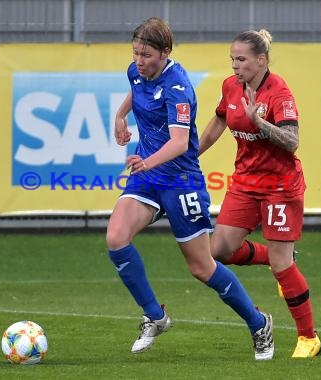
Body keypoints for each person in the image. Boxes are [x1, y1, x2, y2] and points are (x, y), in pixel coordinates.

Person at [106, 17, 274, 360]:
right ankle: (155, 316)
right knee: (115, 238)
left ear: (165, 52)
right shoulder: (136, 70)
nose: (139, 60)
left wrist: (146, 161)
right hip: (149, 179)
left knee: (202, 267)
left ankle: (259, 324)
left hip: (181, 181)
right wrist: (121, 116)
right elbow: (136, 88)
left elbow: (181, 143)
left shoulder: (178, 87)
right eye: (136, 52)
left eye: (147, 54)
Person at [198, 29, 321, 358]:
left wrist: (260, 123)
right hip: (246, 182)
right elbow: (218, 123)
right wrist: (191, 153)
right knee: (220, 250)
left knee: (282, 265)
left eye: (241, 59)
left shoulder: (278, 93)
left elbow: (292, 141)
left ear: (260, 60)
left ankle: (308, 338)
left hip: (281, 186)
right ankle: (277, 258)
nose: (235, 66)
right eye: (232, 59)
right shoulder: (230, 86)